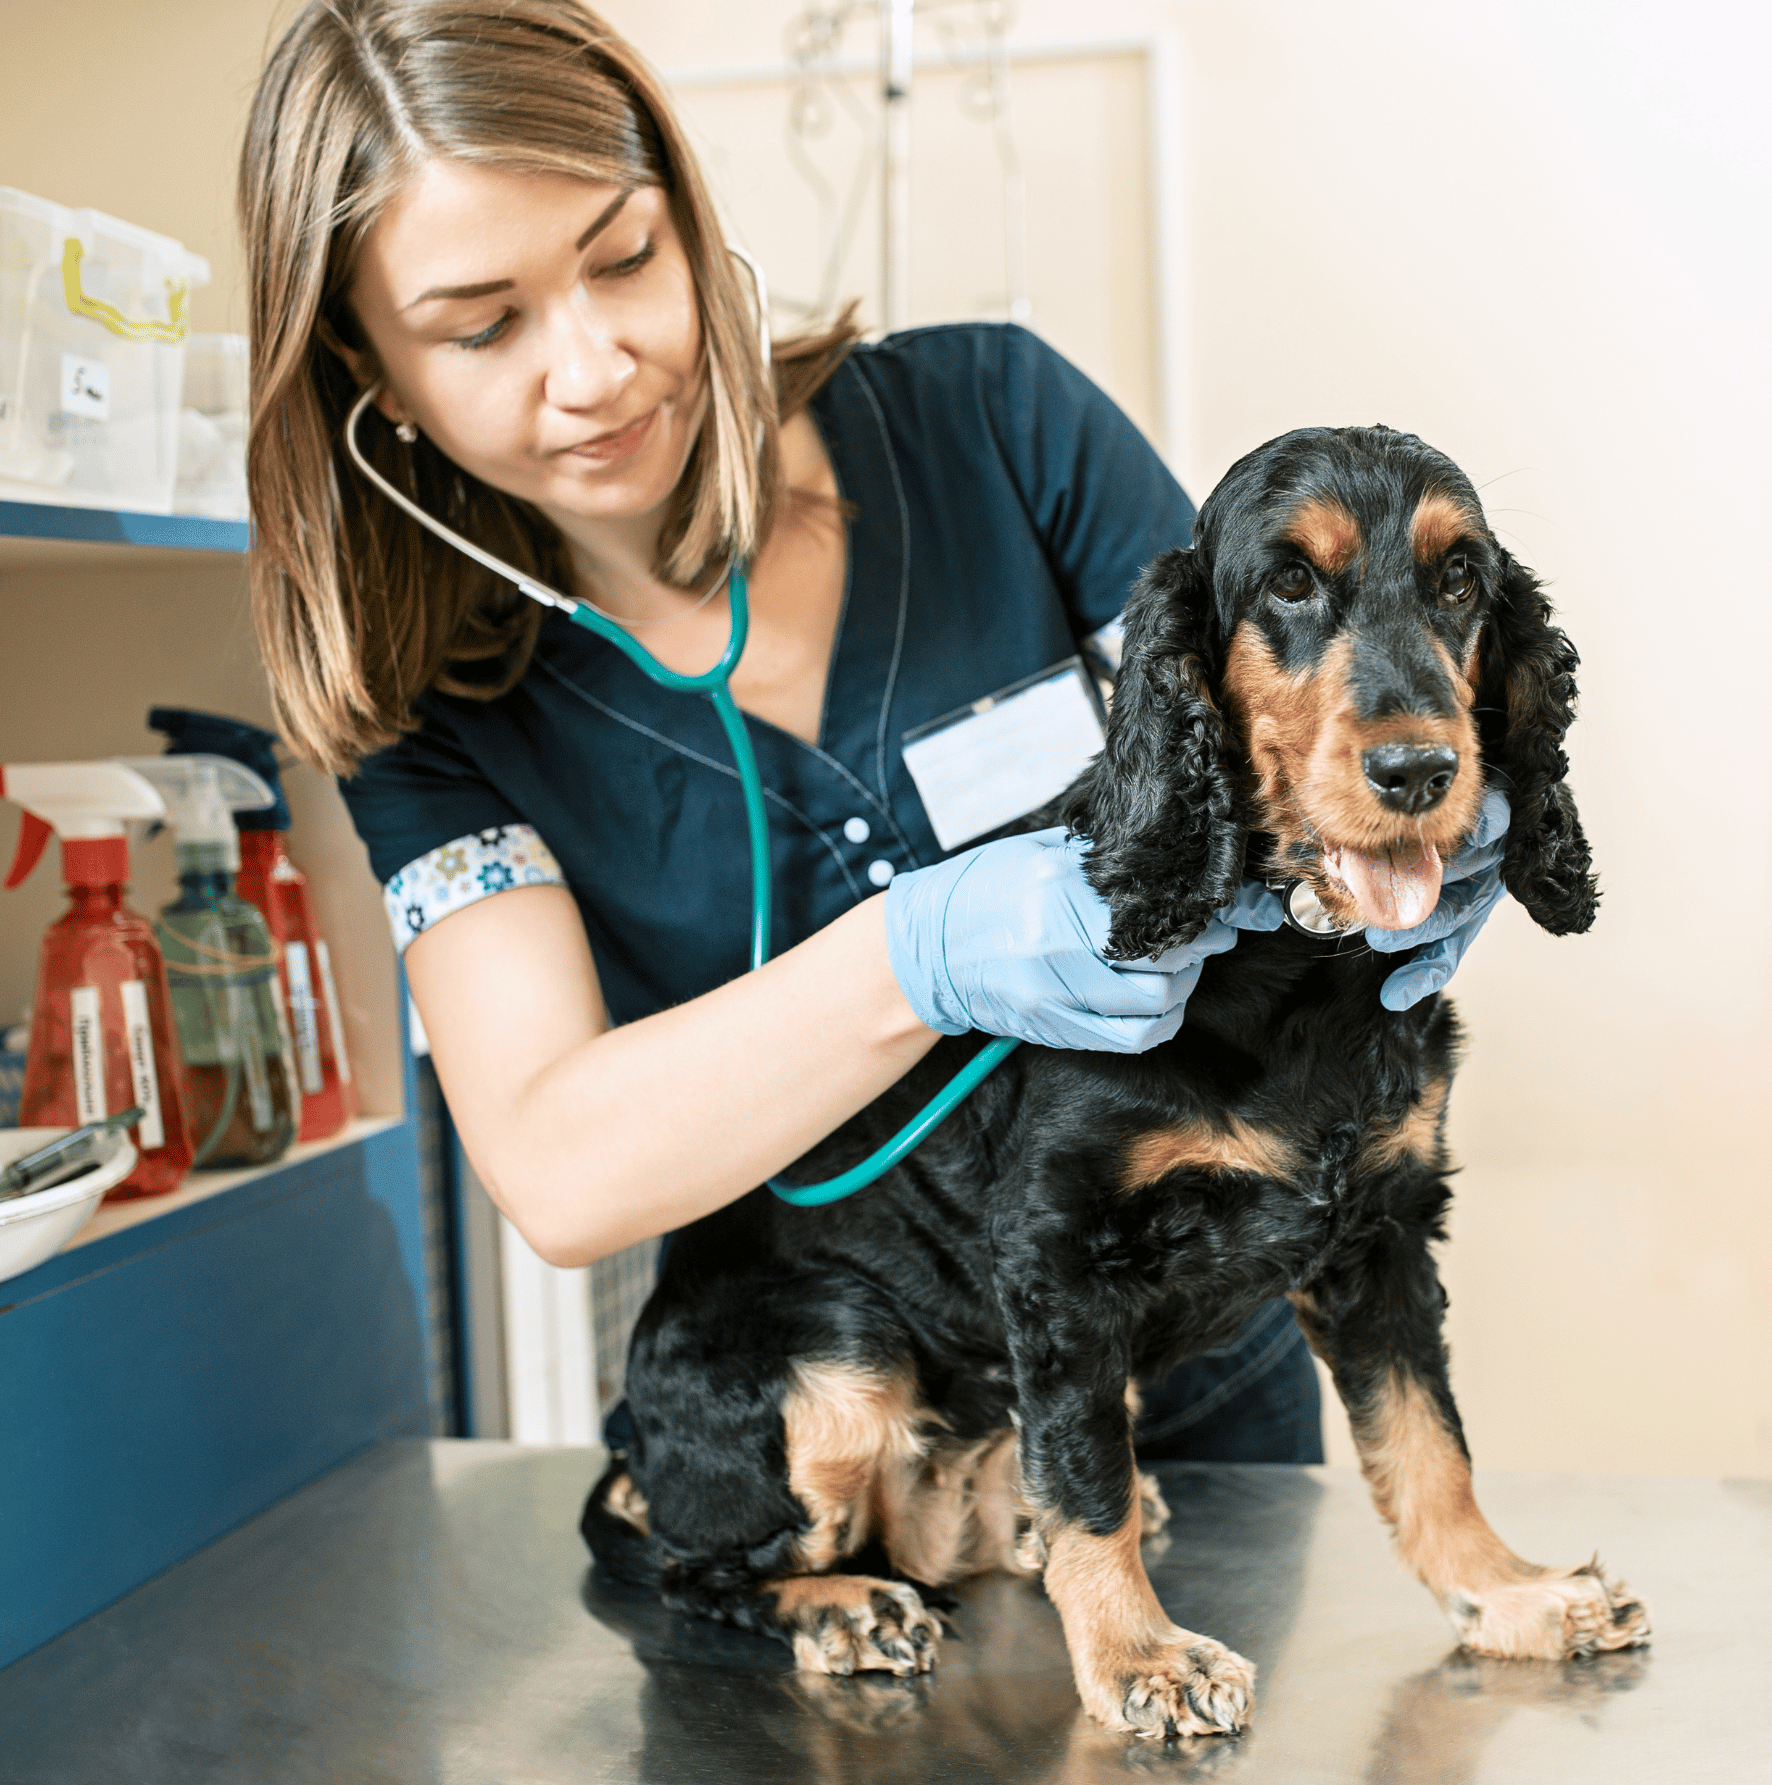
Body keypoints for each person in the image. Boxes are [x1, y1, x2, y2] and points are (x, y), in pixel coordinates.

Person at [239, 0, 1504, 1466]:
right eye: (483, 324)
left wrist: (1432, 828)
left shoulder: (998, 426)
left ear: (692, 216)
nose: (593, 368)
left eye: (626, 255)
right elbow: (562, 1171)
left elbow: (1282, 739)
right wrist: (917, 956)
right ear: (365, 369)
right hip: (832, 1410)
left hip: (1181, 1388)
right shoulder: (424, 708)